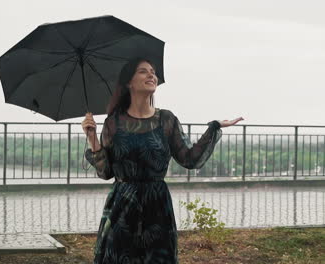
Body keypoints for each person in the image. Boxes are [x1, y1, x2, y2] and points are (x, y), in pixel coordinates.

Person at [81, 57, 244, 264]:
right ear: (129, 82)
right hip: (122, 207)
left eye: (153, 71)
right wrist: (92, 137)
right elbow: (106, 173)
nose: (151, 75)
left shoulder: (166, 120)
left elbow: (189, 159)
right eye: (143, 71)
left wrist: (214, 127)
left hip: (157, 207)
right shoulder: (114, 122)